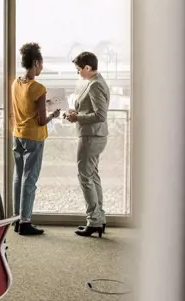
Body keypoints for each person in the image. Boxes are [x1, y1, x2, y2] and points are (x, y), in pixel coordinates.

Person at [11, 43, 60, 236]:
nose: (42, 68)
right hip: (34, 137)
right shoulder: (39, 88)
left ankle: (16, 219)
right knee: (29, 179)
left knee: (18, 177)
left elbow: (25, 105)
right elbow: (41, 120)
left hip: (18, 134)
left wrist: (42, 105)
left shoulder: (16, 83)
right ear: (36, 63)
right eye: (41, 64)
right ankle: (25, 222)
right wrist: (53, 115)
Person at [65, 51, 110, 238]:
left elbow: (101, 115)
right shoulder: (94, 82)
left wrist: (77, 117)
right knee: (93, 176)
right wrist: (75, 112)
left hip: (91, 136)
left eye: (79, 70)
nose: (78, 73)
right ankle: (99, 218)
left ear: (87, 68)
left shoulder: (95, 85)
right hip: (94, 135)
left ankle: (94, 220)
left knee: (84, 176)